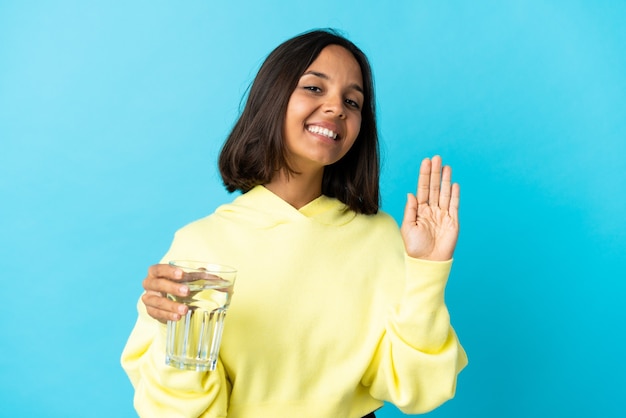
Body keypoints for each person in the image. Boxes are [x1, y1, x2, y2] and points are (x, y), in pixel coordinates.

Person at [121, 28, 467, 418]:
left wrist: (427, 272)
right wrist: (177, 330)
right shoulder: (201, 244)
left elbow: (418, 390)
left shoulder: (382, 238)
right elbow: (177, 411)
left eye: (352, 101)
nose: (337, 108)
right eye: (315, 89)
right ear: (272, 99)